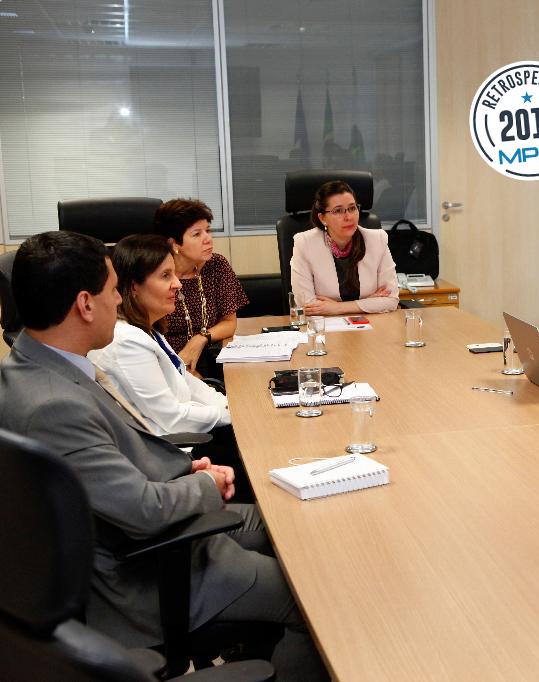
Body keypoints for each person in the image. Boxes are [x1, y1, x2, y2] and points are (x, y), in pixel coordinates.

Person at [0, 231, 326, 680]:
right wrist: (204, 483)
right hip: (144, 575)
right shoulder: (54, 406)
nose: (120, 300)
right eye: (113, 290)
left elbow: (105, 467)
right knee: (316, 596)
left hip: (154, 531)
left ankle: (252, 646)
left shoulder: (30, 367)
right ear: (85, 304)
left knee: (292, 524)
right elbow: (143, 511)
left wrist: (184, 469)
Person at [90, 234, 230, 436]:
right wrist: (230, 415)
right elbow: (173, 419)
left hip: (189, 430)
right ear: (134, 286)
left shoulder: (147, 329)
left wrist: (229, 405)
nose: (178, 284)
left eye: (174, 274)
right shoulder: (126, 341)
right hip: (173, 445)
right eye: (165, 276)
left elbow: (186, 381)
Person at [154, 198, 248, 377]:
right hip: (167, 367)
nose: (208, 239)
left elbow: (230, 323)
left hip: (212, 362)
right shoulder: (155, 275)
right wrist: (182, 372)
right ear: (174, 244)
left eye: (208, 230)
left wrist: (200, 339)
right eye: (197, 234)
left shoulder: (217, 265)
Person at [290, 180, 399, 315]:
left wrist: (338, 307)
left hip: (371, 324)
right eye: (338, 211)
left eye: (352, 208)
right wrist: (368, 303)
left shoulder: (377, 240)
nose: (348, 217)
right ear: (323, 218)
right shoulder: (305, 243)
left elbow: (391, 300)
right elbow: (307, 305)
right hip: (325, 325)